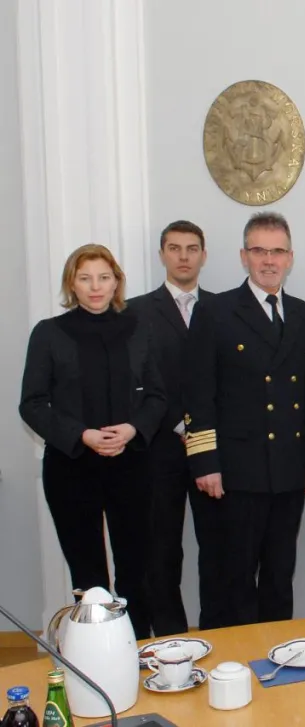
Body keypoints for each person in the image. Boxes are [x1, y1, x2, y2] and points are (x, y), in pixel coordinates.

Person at [184, 212, 305, 626]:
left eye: (277, 251)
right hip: (235, 472)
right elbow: (198, 391)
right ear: (243, 256)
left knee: (280, 577)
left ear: (290, 258)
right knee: (234, 578)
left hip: (288, 470)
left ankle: (278, 654)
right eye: (259, 251)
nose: (269, 260)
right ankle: (236, 659)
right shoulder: (215, 311)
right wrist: (205, 462)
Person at [19, 244, 167, 639]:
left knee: (137, 570)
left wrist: (133, 429)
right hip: (71, 468)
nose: (95, 286)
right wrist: (82, 435)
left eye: (103, 277)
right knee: (88, 577)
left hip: (131, 464)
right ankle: (95, 656)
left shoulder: (139, 329)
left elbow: (158, 396)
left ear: (117, 281)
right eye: (85, 278)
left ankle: (137, 649)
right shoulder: (49, 333)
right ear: (72, 284)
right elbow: (32, 404)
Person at [126, 220, 225, 636]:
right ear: (162, 254)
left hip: (213, 450)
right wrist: (176, 422)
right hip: (158, 448)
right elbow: (133, 381)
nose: (183, 257)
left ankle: (218, 634)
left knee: (218, 549)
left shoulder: (223, 309)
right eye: (174, 248)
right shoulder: (134, 311)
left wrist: (199, 427)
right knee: (161, 550)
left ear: (204, 255)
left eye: (192, 248)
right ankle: (170, 639)